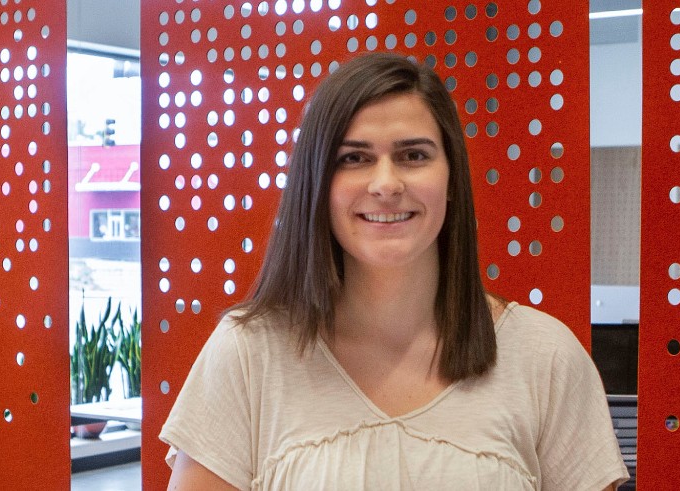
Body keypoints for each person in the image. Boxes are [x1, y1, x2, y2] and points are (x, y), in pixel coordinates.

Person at [161, 52, 629, 490]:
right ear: (318, 185)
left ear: (451, 181)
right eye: (355, 158)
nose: (386, 184)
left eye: (414, 155)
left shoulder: (544, 358)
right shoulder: (248, 353)